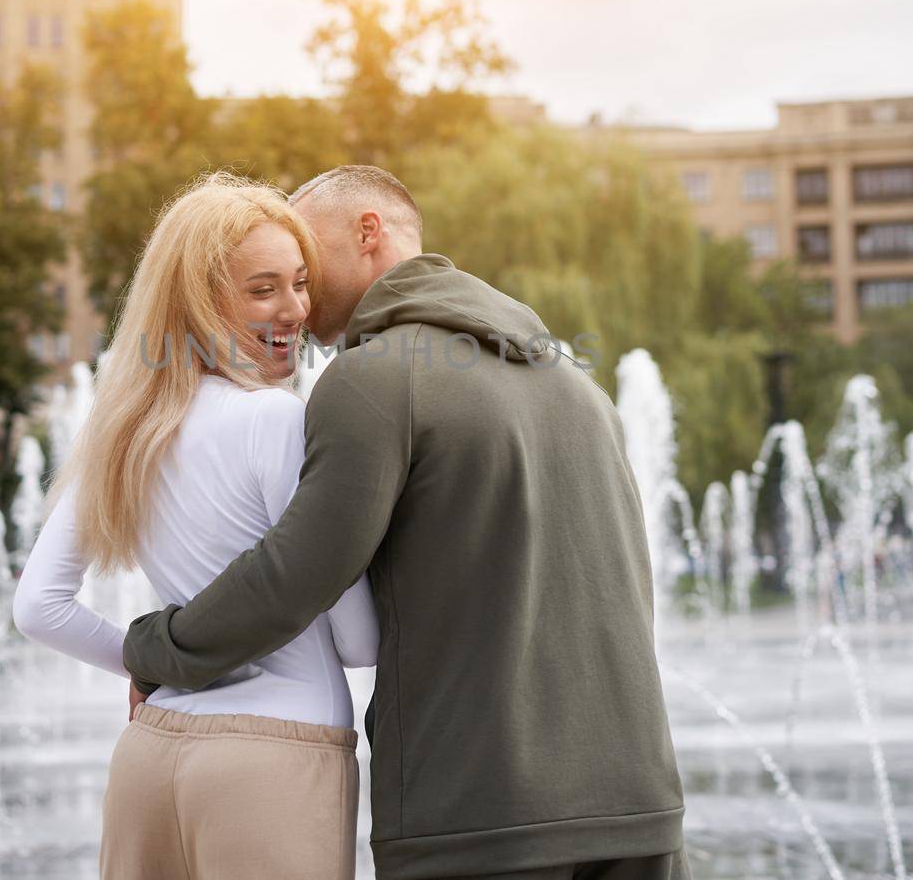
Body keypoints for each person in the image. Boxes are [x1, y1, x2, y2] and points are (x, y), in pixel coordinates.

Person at [124, 165, 690, 880]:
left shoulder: (374, 379)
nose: (298, 294)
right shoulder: (575, 382)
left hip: (482, 815)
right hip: (641, 803)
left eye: (306, 256)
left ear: (368, 232)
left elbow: (291, 578)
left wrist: (152, 647)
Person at [12, 172, 378, 880]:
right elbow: (359, 638)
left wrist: (154, 661)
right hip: (276, 759)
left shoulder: (122, 428)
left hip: (149, 757)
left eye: (300, 282)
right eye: (263, 288)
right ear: (200, 303)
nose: (297, 308)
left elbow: (37, 606)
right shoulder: (277, 420)